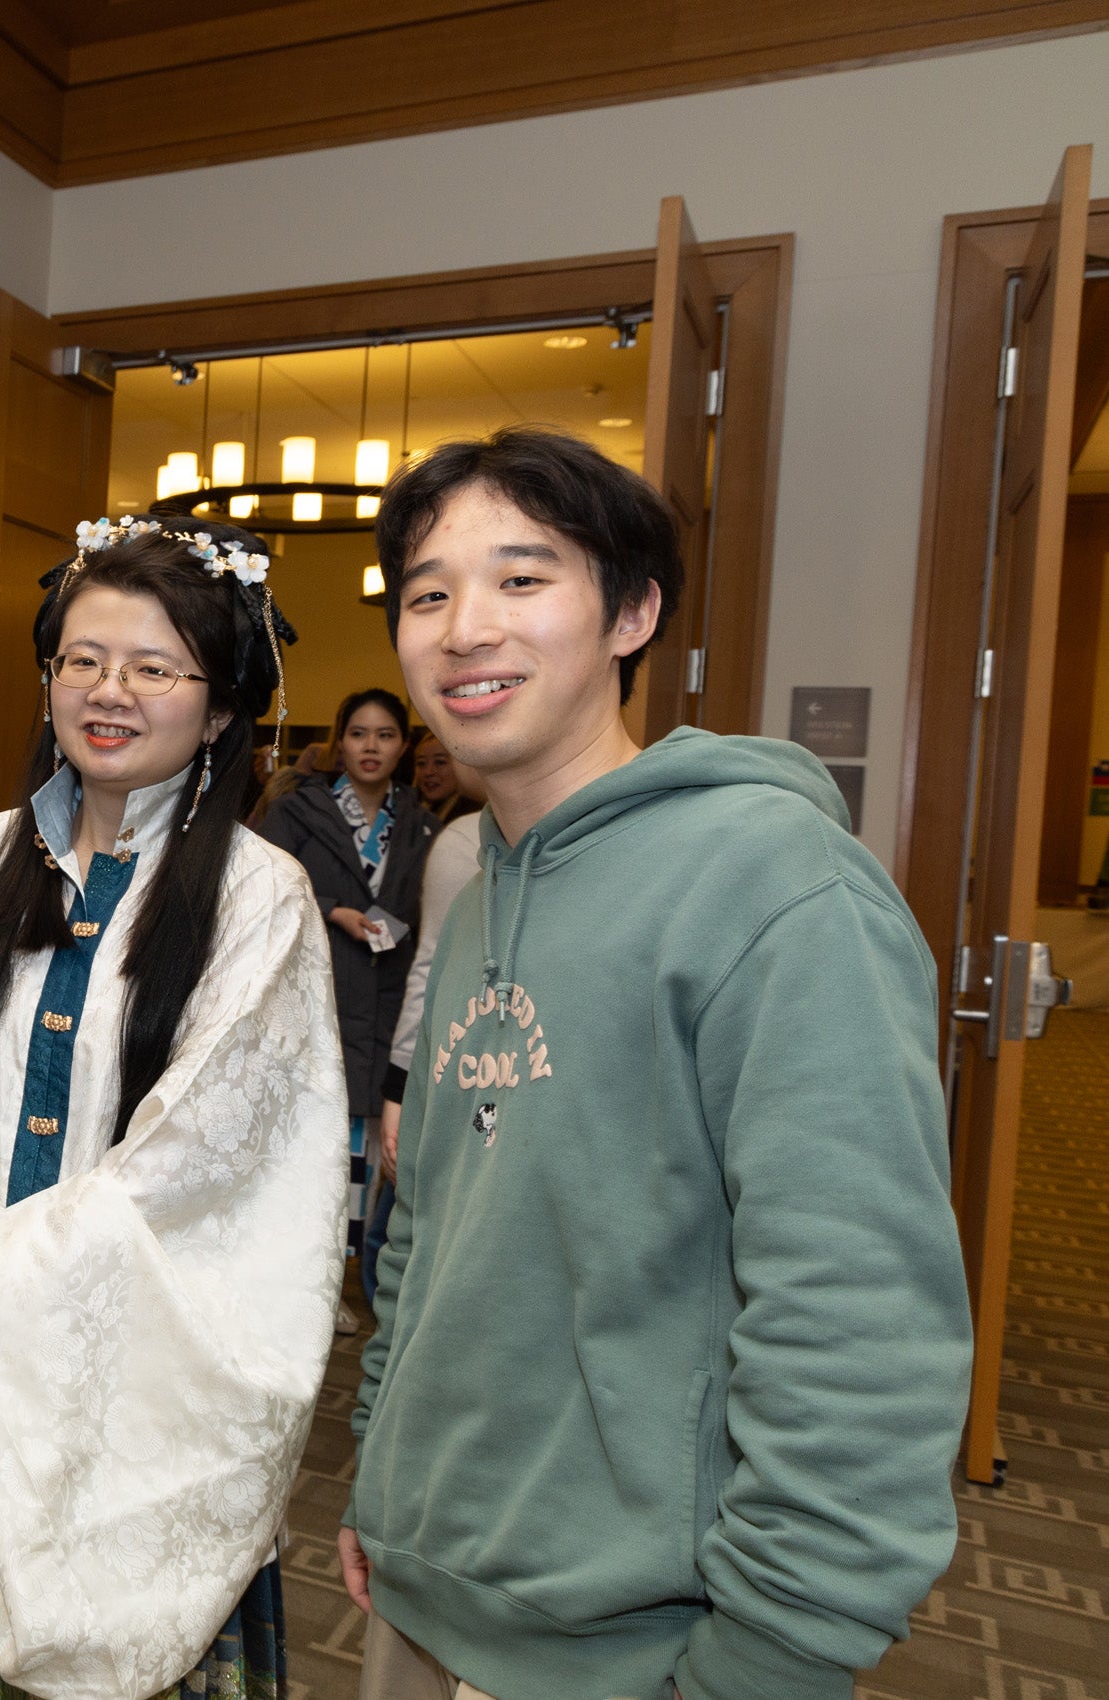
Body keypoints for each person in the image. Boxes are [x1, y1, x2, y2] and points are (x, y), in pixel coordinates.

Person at [340, 425, 971, 1700]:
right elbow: (433, 1232)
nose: (465, 626)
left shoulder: (773, 883)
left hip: (637, 1642)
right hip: (424, 1587)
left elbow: (857, 1312)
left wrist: (778, 1651)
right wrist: (381, 1472)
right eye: (427, 593)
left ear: (632, 612)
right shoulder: (478, 892)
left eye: (524, 579)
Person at [0, 516, 349, 1700]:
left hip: (132, 1410)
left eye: (154, 667)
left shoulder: (262, 902)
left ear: (218, 710)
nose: (109, 689)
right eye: (82, 658)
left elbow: (199, 1168)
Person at [257, 687, 436, 1316]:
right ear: (340, 740)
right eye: (358, 733)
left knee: (361, 1157)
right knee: (302, 1148)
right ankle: (288, 1288)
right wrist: (333, 911)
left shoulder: (419, 824)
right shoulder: (299, 811)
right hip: (311, 1000)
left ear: (404, 746)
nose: (370, 747)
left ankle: (331, 1287)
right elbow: (258, 892)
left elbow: (425, 915)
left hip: (383, 1004)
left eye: (385, 735)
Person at [365, 746, 487, 1291]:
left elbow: (429, 966)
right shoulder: (460, 838)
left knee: (408, 1234)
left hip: (474, 1070)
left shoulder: (456, 836)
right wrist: (399, 1086)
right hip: (451, 1058)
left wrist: (398, 1089)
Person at [407, 732, 470, 821]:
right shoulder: (408, 813)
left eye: (440, 762)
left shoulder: (473, 818)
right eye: (421, 763)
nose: (428, 772)